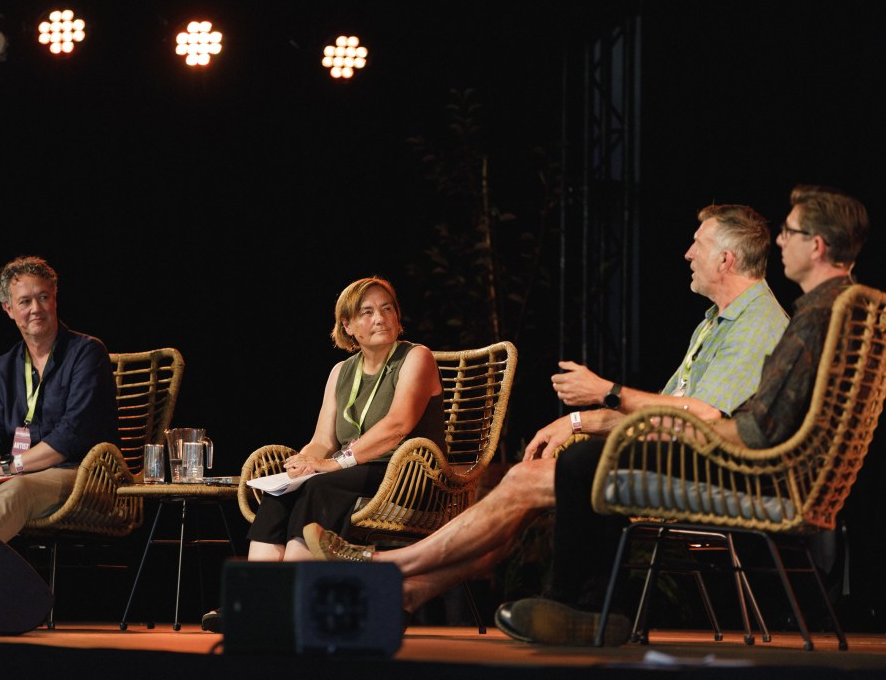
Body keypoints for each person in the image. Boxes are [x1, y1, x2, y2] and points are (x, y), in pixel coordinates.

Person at [302, 203, 790, 635]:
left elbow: (700, 418)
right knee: (528, 488)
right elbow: (660, 417)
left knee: (525, 481)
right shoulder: (714, 323)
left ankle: (389, 564)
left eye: (698, 244)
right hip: (667, 457)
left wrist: (607, 394)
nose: (687, 253)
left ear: (726, 259)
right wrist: (577, 422)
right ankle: (409, 592)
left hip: (712, 473)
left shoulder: (755, 324)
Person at [494, 183, 869, 645]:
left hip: (751, 470)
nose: (779, 241)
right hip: (763, 461)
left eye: (790, 232)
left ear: (817, 246)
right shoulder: (845, 309)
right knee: (599, 456)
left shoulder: (814, 318)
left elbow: (758, 430)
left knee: (583, 463)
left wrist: (672, 420)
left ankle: (579, 607)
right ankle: (595, 610)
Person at [202, 276, 446, 632]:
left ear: (397, 316)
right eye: (367, 312)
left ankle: (289, 602)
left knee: (320, 487)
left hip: (407, 476)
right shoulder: (341, 372)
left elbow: (398, 425)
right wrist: (304, 463)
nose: (380, 318)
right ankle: (253, 599)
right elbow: (322, 439)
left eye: (387, 309)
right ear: (347, 326)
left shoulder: (415, 357)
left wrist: (333, 463)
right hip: (353, 471)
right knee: (283, 491)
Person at [0, 256, 118, 544]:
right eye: (25, 301)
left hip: (81, 473)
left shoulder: (87, 353)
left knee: (16, 490)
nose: (36, 309)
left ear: (54, 299)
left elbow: (71, 436)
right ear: (9, 309)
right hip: (19, 472)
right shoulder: (2, 368)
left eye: (43, 297)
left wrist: (7, 466)